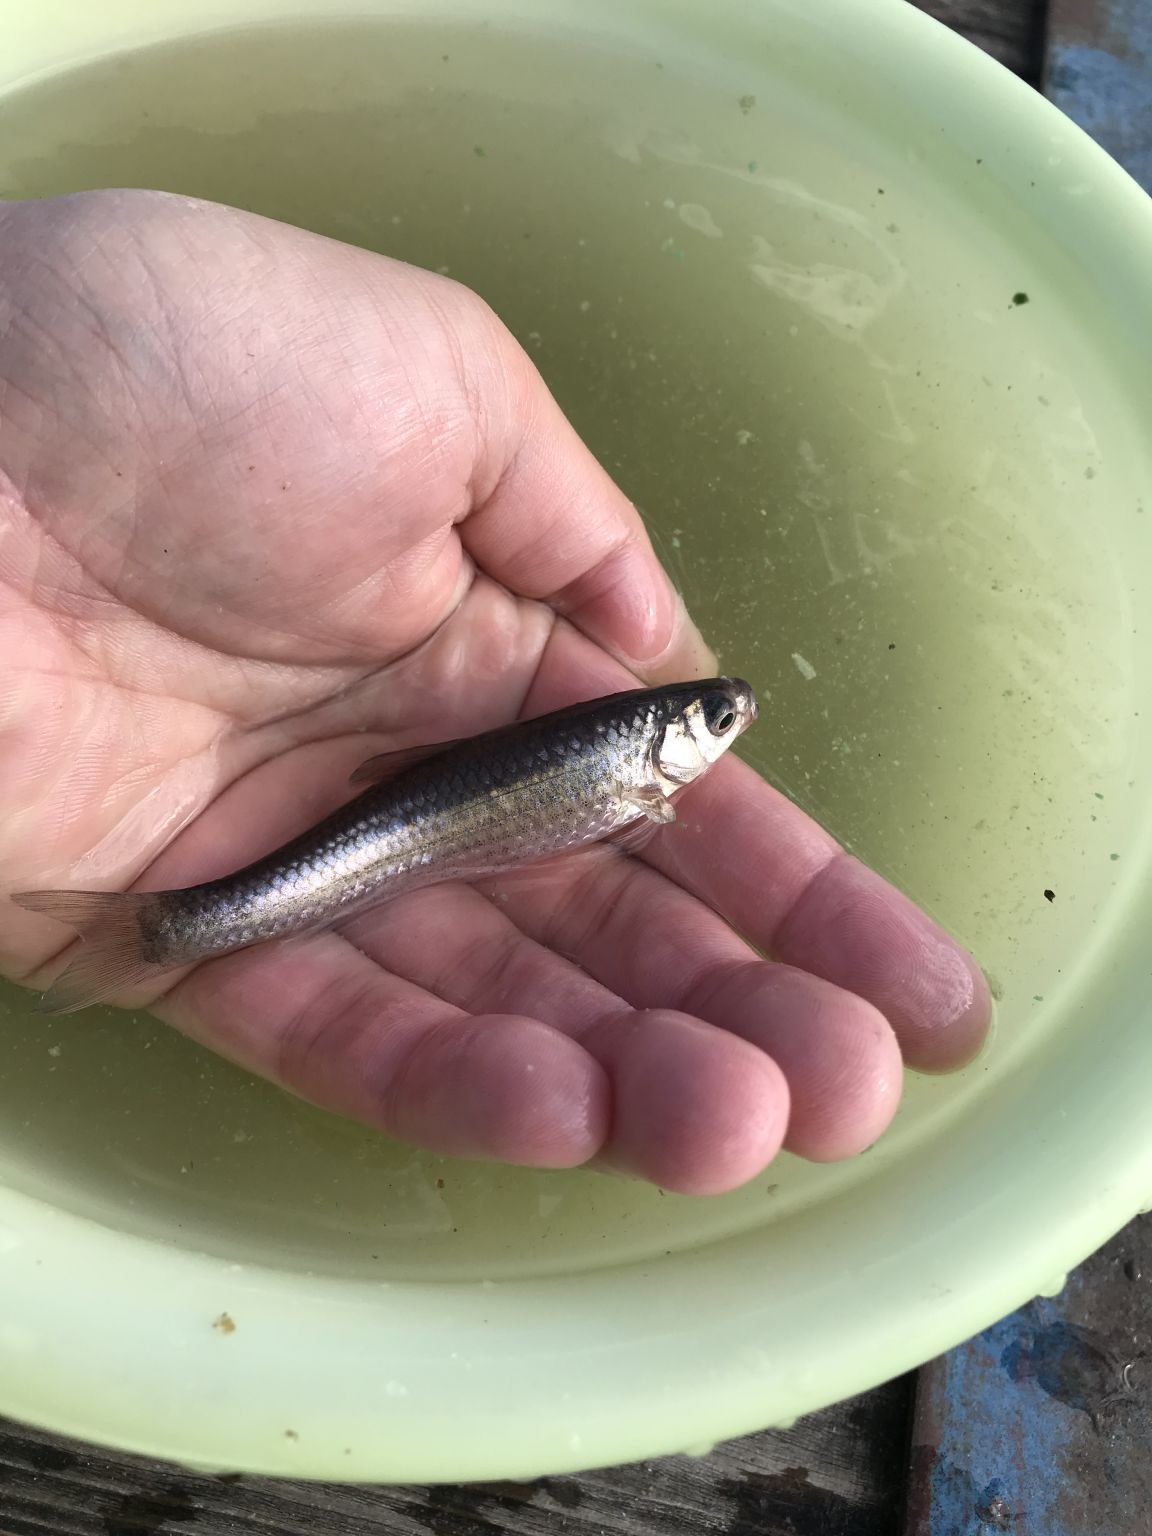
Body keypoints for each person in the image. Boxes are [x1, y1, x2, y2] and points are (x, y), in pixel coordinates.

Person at [0, 189, 990, 1195]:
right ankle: (173, 925)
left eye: (718, 719)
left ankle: (174, 926)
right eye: (718, 721)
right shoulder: (642, 766)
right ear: (672, 745)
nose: (731, 725)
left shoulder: (640, 760)